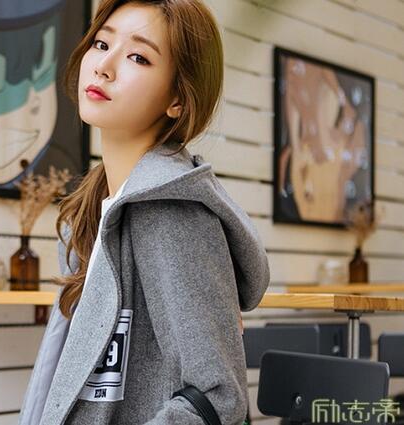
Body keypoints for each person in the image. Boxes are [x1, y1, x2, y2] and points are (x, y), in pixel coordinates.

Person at [18, 1, 270, 424]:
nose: (104, 67)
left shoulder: (171, 212)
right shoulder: (92, 209)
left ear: (178, 99)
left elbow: (219, 396)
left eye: (138, 57)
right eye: (102, 44)